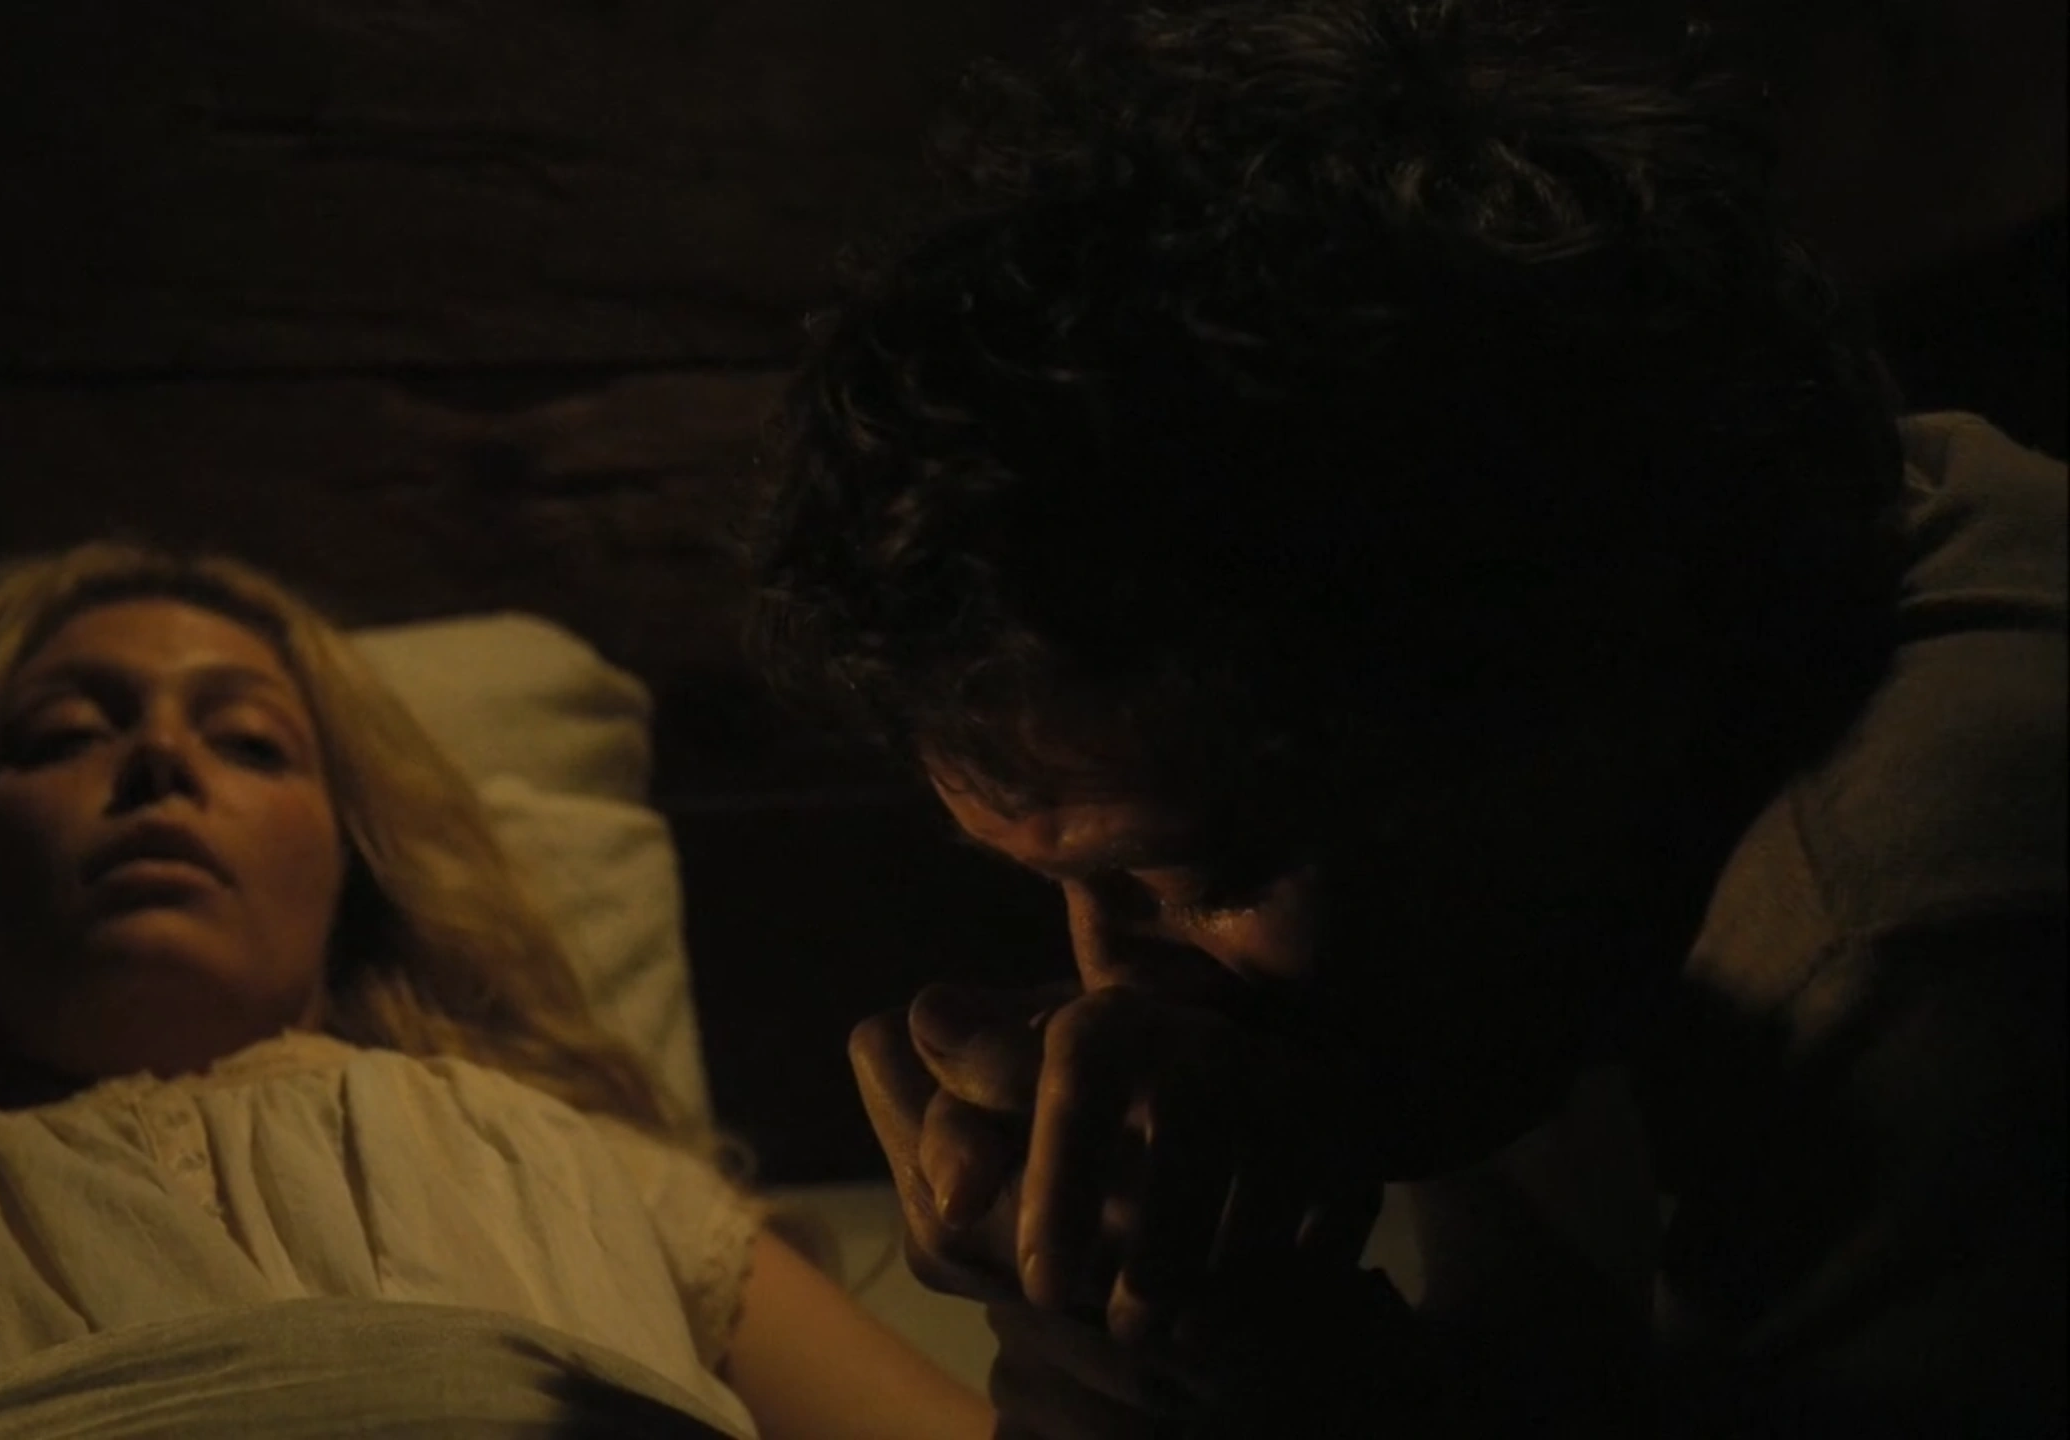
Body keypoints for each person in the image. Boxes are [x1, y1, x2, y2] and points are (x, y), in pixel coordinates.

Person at [746, 0, 2065, 1434]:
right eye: (1076, 888)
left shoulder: (1925, 937)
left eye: (1205, 883)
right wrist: (1188, 1319)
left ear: (1546, 668)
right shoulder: (1551, 791)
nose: (1119, 990)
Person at [0, 542, 993, 1439]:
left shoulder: (570, 1168)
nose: (162, 761)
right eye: (64, 734)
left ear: (352, 868)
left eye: (253, 743)